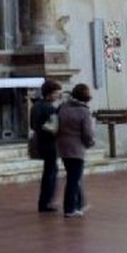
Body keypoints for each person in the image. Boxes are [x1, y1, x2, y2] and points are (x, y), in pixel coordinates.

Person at [56, 83, 96, 218]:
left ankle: (79, 204)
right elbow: (87, 133)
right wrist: (90, 143)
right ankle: (69, 208)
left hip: (63, 146)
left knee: (73, 176)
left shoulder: (63, 107)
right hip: (76, 148)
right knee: (74, 179)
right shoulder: (84, 111)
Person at [30, 80, 62, 213]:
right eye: (55, 93)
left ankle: (44, 202)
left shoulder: (35, 106)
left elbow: (32, 125)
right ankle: (46, 203)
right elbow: (55, 128)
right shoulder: (49, 108)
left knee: (49, 172)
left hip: (40, 141)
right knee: (50, 174)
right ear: (49, 94)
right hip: (50, 143)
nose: (57, 96)